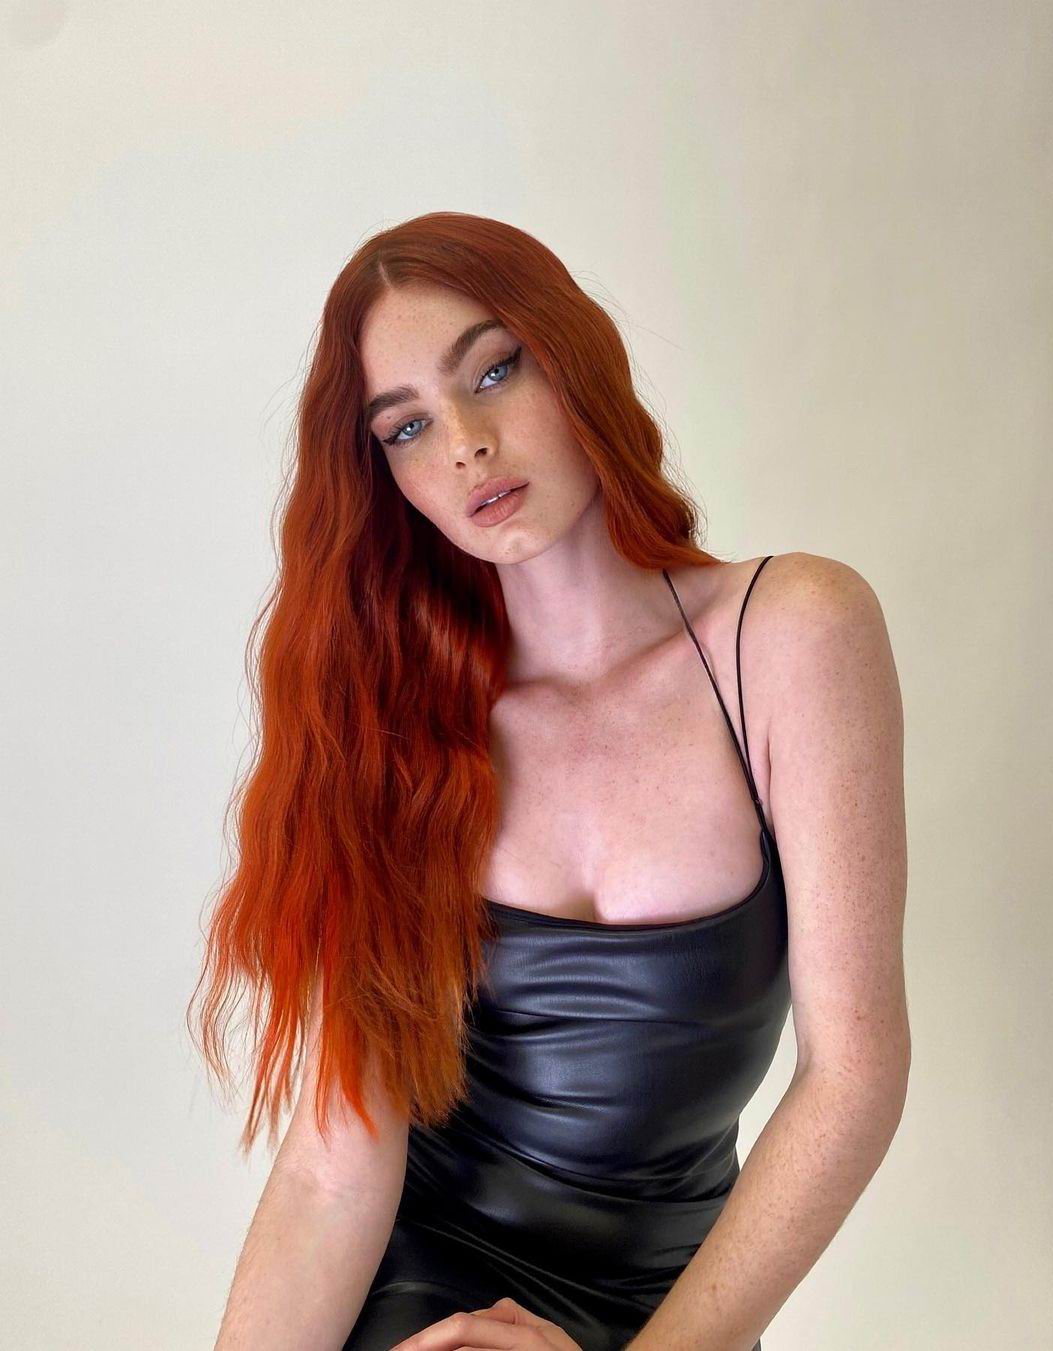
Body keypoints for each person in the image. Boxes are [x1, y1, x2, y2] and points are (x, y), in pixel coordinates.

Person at [191, 212, 910, 1351]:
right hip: (432, 1288)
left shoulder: (789, 634)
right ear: (389, 480)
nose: (466, 444)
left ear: (573, 356)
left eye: (493, 370)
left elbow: (852, 1074)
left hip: (687, 1309)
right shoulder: (397, 728)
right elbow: (334, 1167)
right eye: (408, 426)